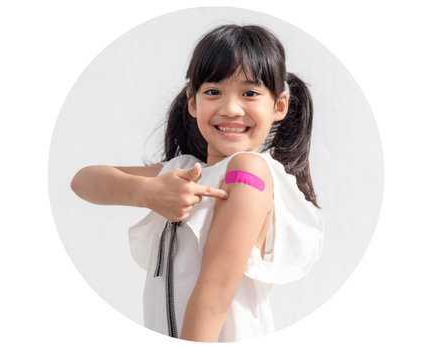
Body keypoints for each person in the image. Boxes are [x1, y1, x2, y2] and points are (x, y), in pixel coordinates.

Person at [71, 24, 324, 342]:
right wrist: (148, 192)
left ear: (279, 106)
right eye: (214, 92)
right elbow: (83, 181)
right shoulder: (181, 171)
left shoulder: (249, 170)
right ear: (193, 102)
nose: (231, 109)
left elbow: (215, 295)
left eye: (250, 93)